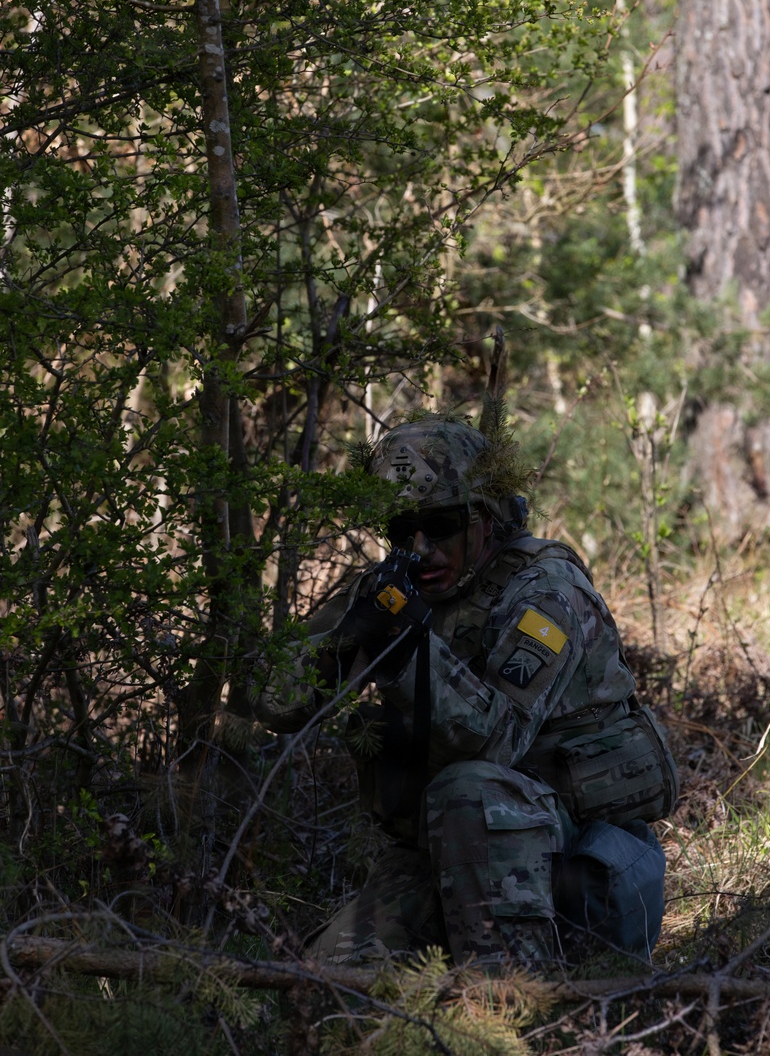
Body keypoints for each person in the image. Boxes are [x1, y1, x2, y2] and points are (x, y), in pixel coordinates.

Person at [254, 412, 678, 968]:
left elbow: (496, 741)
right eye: (402, 530)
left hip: (579, 867)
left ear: (484, 518)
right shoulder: (397, 589)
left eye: (441, 524)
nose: (421, 547)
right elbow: (270, 700)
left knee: (469, 788)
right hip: (449, 851)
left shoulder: (547, 592)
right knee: (330, 980)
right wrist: (340, 645)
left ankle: (517, 1006)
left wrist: (407, 646)